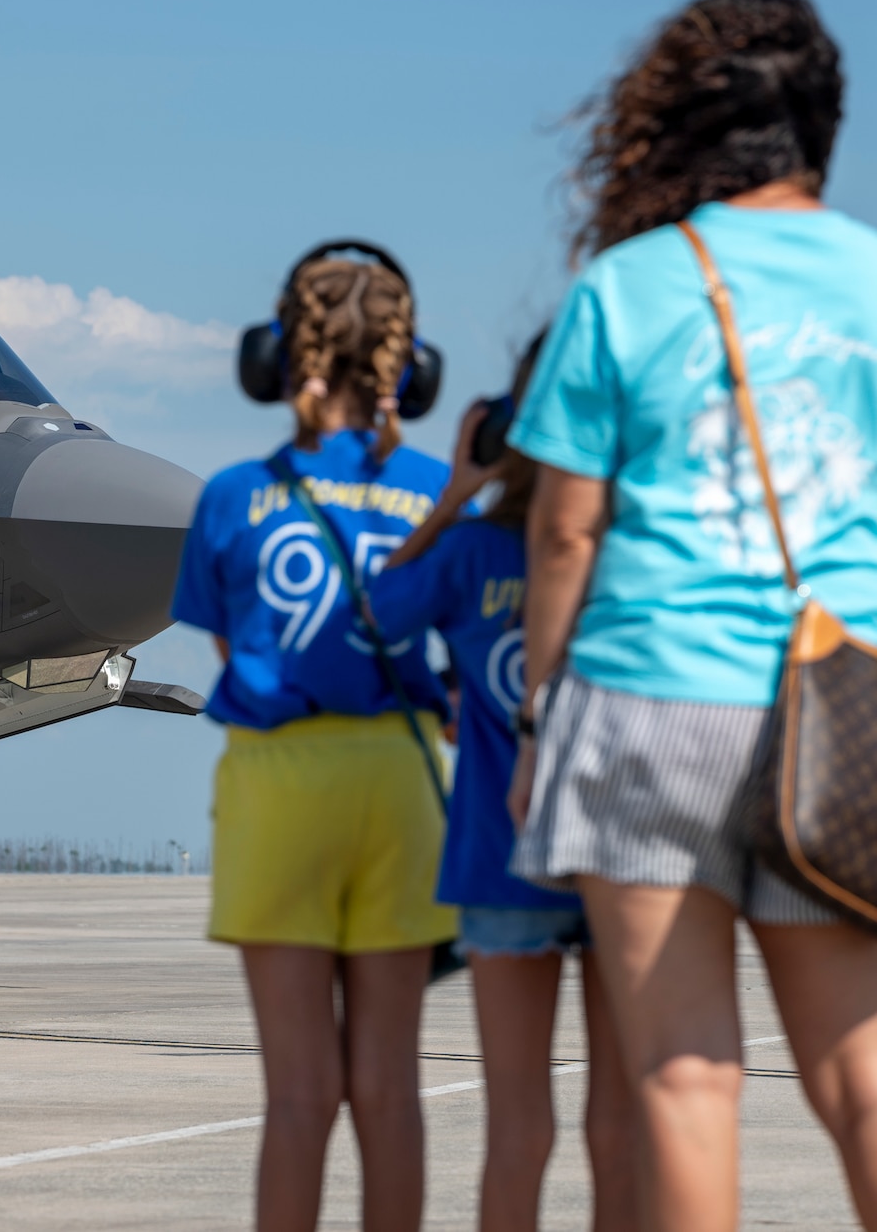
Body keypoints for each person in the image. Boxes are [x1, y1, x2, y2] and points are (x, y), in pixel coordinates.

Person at [507, 0, 877, 1228]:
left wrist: (539, 708)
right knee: (871, 1079)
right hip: (842, 702)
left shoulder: (626, 287)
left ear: (681, 125)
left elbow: (562, 528)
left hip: (649, 691)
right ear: (823, 125)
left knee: (683, 1074)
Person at [315, 335, 634, 1232]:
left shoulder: (466, 553)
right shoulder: (633, 547)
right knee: (620, 1124)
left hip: (503, 856)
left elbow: (369, 615)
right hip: (618, 850)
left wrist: (457, 493)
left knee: (518, 1129)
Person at [170, 248, 457, 1232]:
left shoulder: (229, 497)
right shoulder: (434, 492)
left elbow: (226, 638)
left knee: (297, 1096)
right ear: (407, 364)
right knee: (389, 1088)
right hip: (401, 783)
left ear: (276, 357)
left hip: (279, 784)